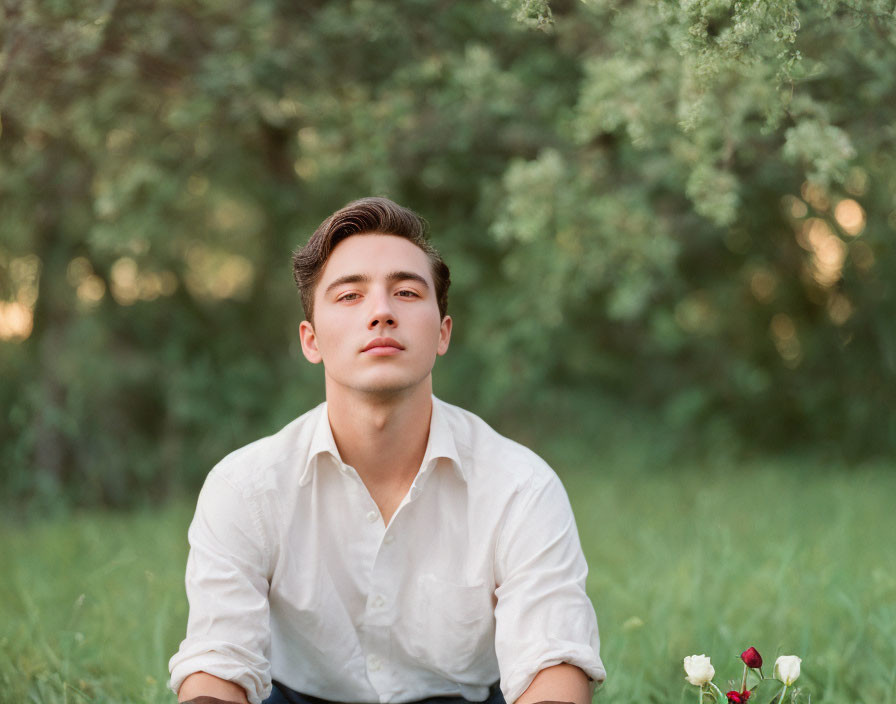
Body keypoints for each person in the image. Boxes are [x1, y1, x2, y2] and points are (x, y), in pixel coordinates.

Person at [168, 197, 606, 704]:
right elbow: (217, 666)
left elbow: (553, 665)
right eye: (350, 296)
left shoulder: (521, 487)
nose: (381, 312)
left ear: (442, 332)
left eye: (405, 291)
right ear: (311, 341)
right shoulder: (244, 488)